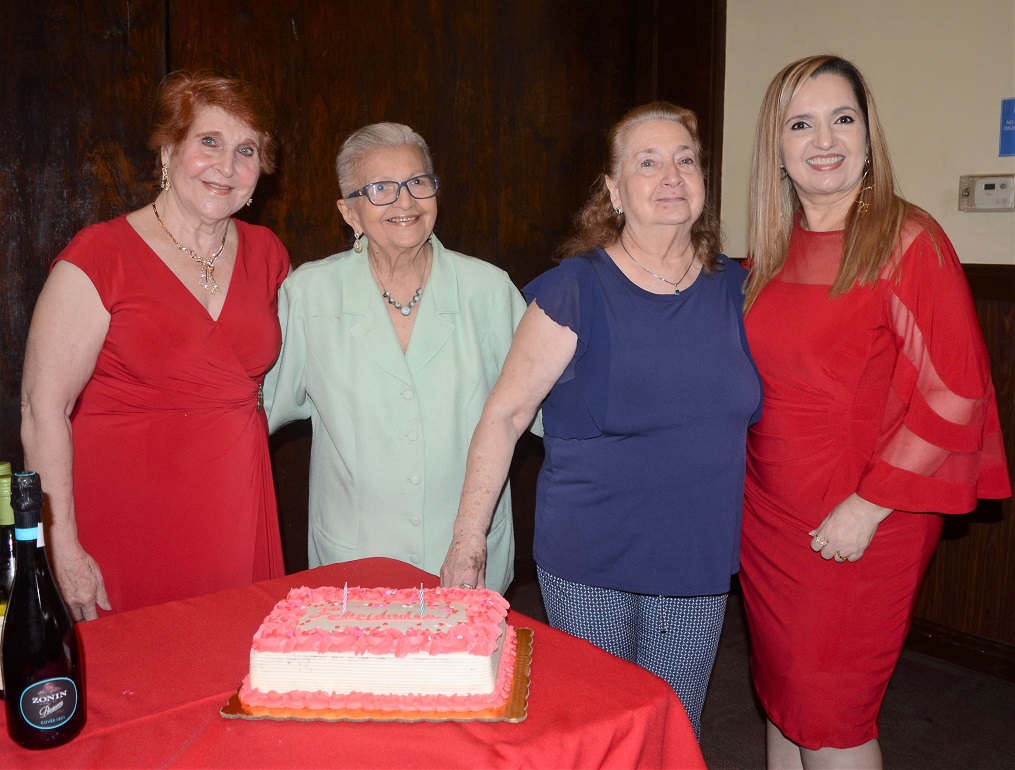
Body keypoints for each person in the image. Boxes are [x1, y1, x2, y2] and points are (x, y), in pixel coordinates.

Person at [442, 102, 763, 737]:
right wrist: (467, 542)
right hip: (592, 557)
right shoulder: (576, 288)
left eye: (686, 160)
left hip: (696, 558)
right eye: (648, 162)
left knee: (673, 728)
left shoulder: (740, 288)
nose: (672, 175)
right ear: (614, 191)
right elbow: (505, 416)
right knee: (596, 729)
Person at [739, 54, 1011, 769]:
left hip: (864, 514)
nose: (823, 139)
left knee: (833, 714)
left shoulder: (904, 239)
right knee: (785, 698)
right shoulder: (768, 251)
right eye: (801, 123)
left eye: (842, 118)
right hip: (771, 514)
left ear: (867, 135)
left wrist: (866, 506)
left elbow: (955, 393)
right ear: (776, 145)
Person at [20, 70, 289, 620]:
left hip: (236, 507)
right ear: (168, 151)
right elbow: (40, 408)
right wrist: (60, 544)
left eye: (246, 150)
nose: (226, 166)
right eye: (208, 142)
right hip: (125, 515)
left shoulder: (268, 254)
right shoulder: (100, 255)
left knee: (234, 670)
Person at [264, 122, 526, 594]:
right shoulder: (309, 294)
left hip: (465, 562)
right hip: (354, 561)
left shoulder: (488, 290)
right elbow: (252, 408)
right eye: (380, 188)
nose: (405, 202)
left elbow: (548, 411)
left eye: (418, 182)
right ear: (350, 212)